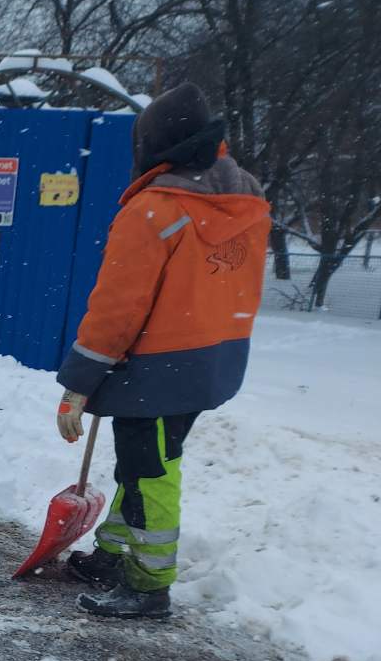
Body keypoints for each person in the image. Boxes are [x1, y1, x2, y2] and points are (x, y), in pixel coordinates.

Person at [55, 82, 269, 619]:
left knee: (151, 472)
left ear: (153, 147)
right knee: (145, 463)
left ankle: (148, 585)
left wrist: (79, 382)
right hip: (213, 358)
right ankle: (112, 554)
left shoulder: (156, 208)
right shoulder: (246, 199)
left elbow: (117, 307)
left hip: (156, 366)